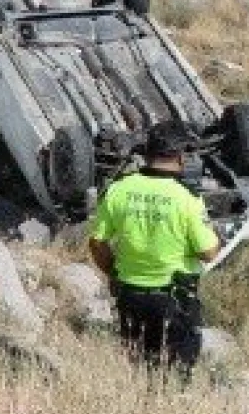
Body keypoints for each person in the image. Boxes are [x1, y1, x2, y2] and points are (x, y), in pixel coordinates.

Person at [88, 120, 221, 370]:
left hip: (129, 294)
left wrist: (114, 271)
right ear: (181, 157)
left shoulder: (119, 189)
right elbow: (209, 252)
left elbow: (97, 243)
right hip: (174, 297)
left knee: (137, 365)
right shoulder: (187, 198)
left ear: (147, 154)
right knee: (175, 372)